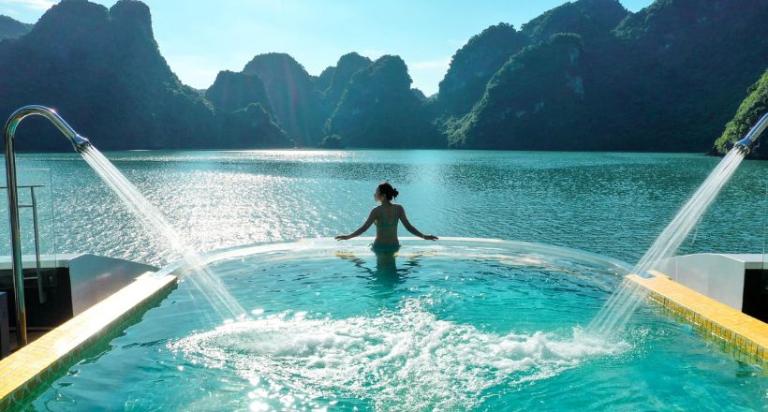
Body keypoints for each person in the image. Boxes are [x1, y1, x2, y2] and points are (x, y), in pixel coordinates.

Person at [335, 182, 438, 252]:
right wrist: (424, 236)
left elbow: (363, 228)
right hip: (394, 247)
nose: (374, 194)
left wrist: (348, 237)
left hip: (379, 247)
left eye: (376, 192)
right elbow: (409, 227)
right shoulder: (399, 208)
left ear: (383, 196)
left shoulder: (376, 211)